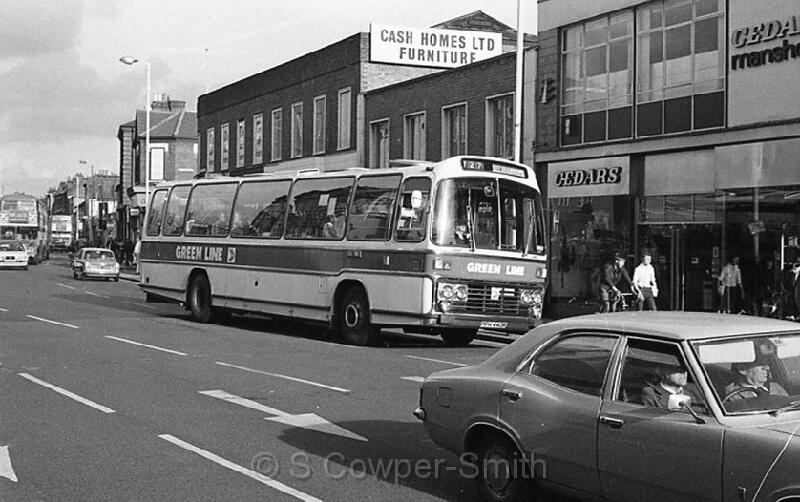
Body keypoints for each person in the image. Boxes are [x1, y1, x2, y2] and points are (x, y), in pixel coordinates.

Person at [724, 359, 788, 400]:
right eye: (761, 365)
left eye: (766, 364)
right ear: (742, 369)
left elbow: (789, 406)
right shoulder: (733, 393)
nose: (767, 368)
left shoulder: (775, 387)